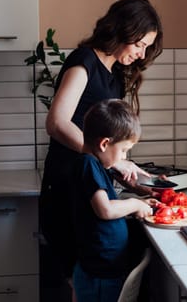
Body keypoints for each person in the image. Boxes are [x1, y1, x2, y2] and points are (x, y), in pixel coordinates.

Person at [39, 0, 163, 293]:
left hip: (87, 186)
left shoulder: (114, 75)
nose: (141, 53)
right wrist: (115, 162)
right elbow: (56, 123)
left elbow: (104, 144)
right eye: (140, 44)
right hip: (67, 187)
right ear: (123, 30)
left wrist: (128, 178)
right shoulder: (84, 62)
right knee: (77, 283)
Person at [70, 99, 158, 302]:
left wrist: (142, 200)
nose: (125, 157)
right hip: (99, 272)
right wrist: (135, 204)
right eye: (124, 150)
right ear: (104, 144)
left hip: (105, 268)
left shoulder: (97, 165)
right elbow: (106, 210)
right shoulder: (87, 165)